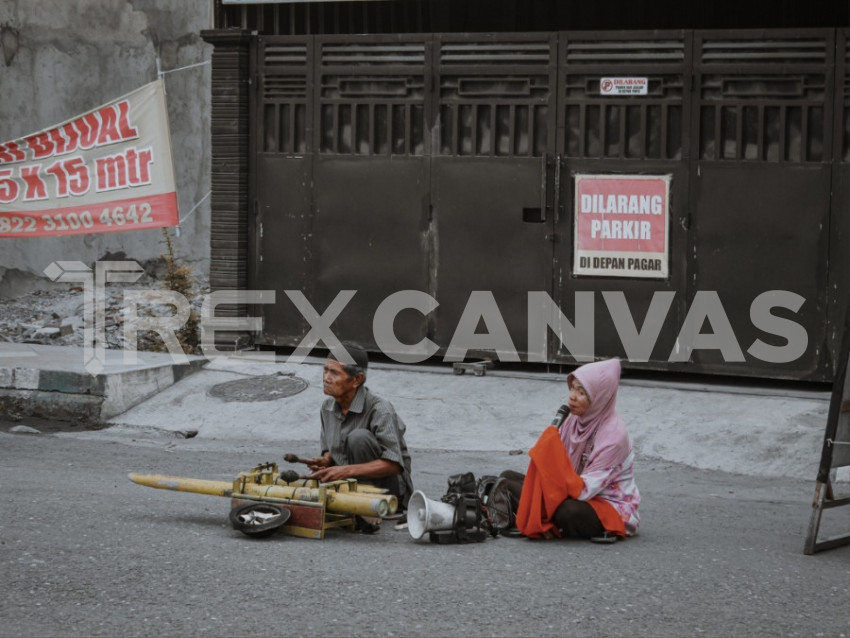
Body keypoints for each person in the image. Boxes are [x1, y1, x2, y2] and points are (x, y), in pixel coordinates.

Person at [501, 358, 640, 541]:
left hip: (605, 505)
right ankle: (543, 517)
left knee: (567, 512)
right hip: (571, 489)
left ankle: (549, 521)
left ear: (600, 398)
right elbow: (557, 471)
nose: (572, 396)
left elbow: (584, 491)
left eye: (582, 392)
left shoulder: (614, 436)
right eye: (573, 388)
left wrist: (549, 488)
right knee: (506, 479)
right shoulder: (573, 419)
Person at [305, 343, 413, 532]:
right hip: (350, 482)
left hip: (389, 488)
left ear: (357, 379)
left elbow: (394, 464)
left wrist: (345, 471)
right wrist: (325, 460)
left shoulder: (380, 409)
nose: (326, 378)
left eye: (334, 373)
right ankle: (353, 504)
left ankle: (369, 508)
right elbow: (330, 449)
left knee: (358, 437)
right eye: (325, 370)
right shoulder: (327, 408)